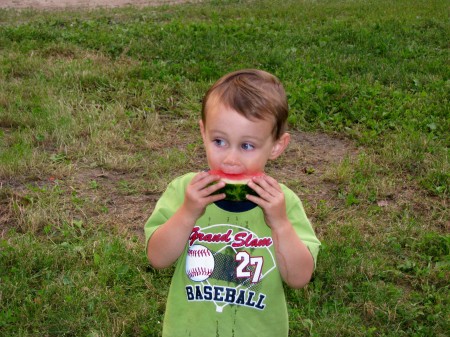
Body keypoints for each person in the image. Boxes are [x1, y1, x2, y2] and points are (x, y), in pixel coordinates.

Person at [144, 69, 321, 337]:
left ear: (276, 146)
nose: (230, 159)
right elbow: (157, 258)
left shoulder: (283, 203)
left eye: (247, 146)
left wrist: (281, 224)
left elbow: (298, 279)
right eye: (219, 141)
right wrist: (188, 212)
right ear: (203, 132)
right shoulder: (184, 191)